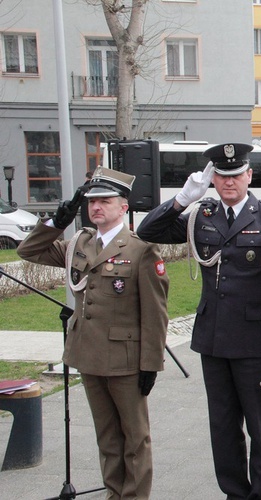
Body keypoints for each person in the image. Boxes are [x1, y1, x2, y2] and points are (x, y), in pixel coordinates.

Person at [136, 143, 261, 499]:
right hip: (213, 339)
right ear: (214, 180)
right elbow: (147, 232)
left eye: (236, 174)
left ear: (249, 175)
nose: (228, 182)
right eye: (221, 176)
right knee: (222, 426)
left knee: (259, 427)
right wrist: (182, 199)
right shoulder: (201, 215)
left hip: (256, 341)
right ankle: (234, 493)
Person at [17, 168, 169, 499]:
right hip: (87, 355)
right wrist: (58, 221)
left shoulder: (141, 250)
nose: (96, 207)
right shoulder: (79, 244)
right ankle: (114, 492)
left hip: (126, 362)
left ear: (123, 207)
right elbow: (28, 251)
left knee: (135, 438)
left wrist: (150, 364)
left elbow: (156, 315)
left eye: (104, 201)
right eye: (91, 202)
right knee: (107, 437)